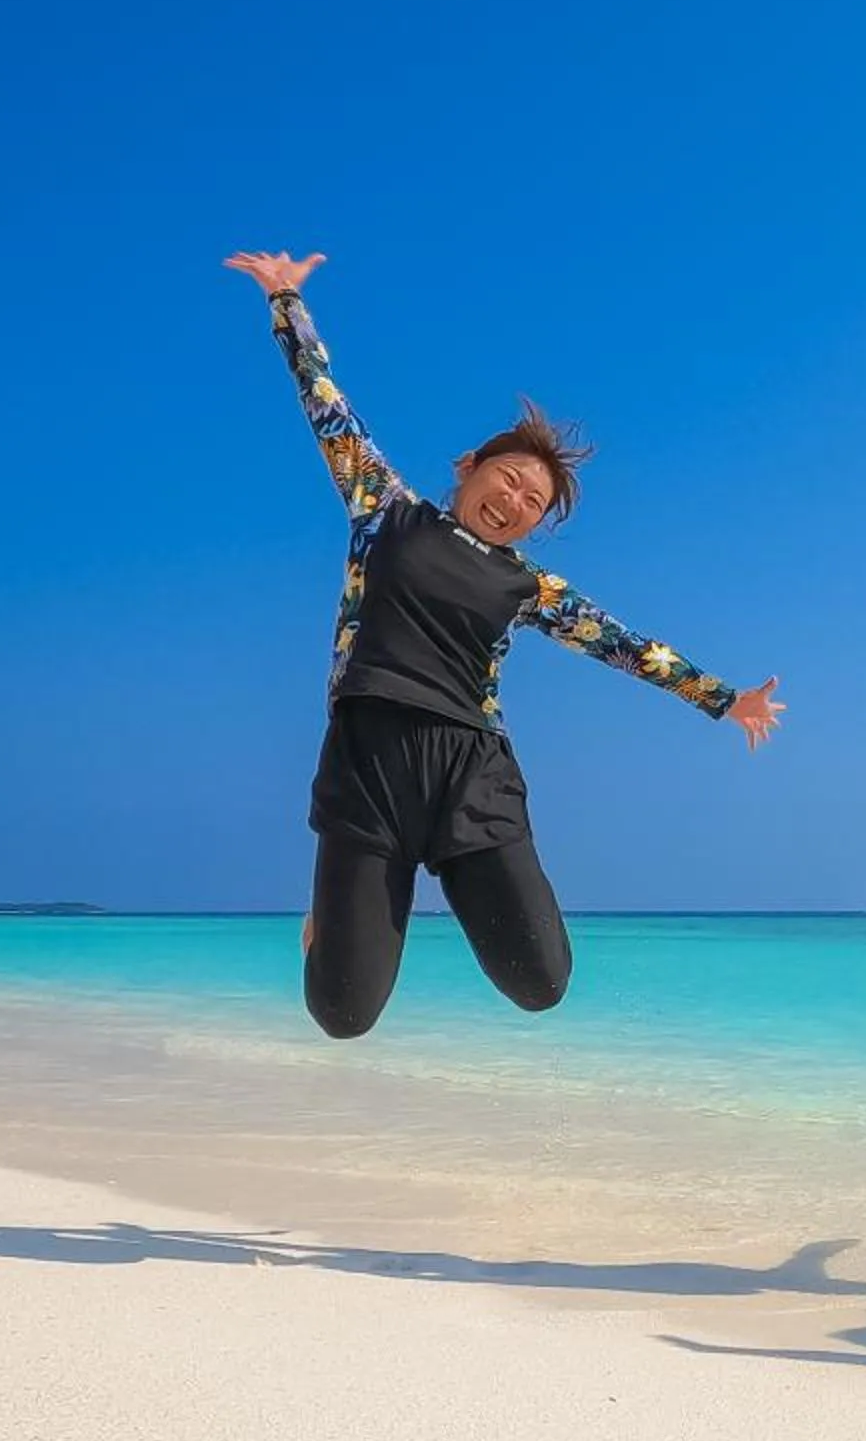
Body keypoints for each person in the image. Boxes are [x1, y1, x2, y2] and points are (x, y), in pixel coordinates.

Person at [225, 250, 782, 1039]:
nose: (516, 500)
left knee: (541, 982)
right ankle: (328, 928)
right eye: (509, 479)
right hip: (369, 762)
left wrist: (725, 700)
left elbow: (625, 645)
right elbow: (326, 403)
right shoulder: (386, 509)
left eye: (534, 501)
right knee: (342, 1014)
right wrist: (287, 303)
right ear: (469, 468)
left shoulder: (530, 586)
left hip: (471, 772)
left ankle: (476, 881)